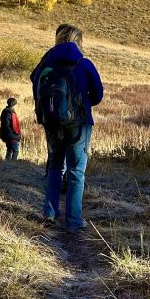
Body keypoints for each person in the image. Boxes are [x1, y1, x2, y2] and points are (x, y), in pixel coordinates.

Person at [30, 24, 103, 233]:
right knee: (76, 172)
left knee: (54, 168)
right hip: (79, 125)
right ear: (78, 41)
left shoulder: (45, 63)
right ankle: (74, 221)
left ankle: (49, 214)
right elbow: (97, 95)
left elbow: (34, 83)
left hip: (51, 123)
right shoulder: (84, 63)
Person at [0, 97, 22, 162]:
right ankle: (13, 164)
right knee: (16, 151)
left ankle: (7, 164)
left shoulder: (4, 111)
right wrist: (18, 135)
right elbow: (15, 126)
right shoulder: (12, 113)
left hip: (6, 135)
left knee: (9, 150)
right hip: (12, 136)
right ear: (13, 105)